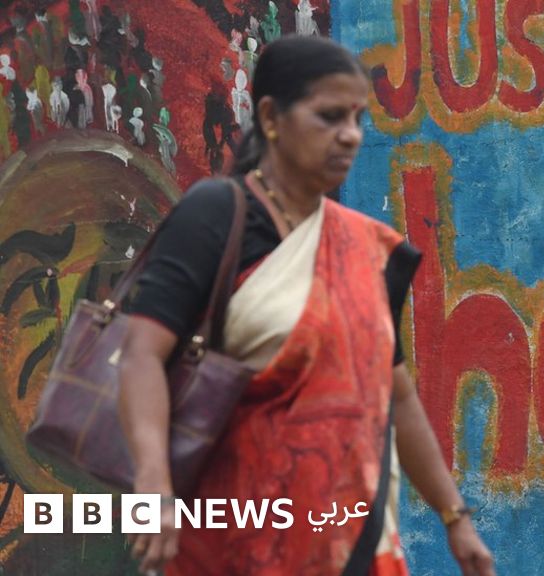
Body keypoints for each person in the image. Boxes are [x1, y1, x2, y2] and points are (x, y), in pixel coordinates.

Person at [117, 35, 496, 576]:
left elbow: (397, 395)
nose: (351, 135)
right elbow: (141, 354)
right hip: (236, 545)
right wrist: (153, 487)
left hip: (352, 543)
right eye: (330, 116)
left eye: (358, 119)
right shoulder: (216, 216)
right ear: (271, 117)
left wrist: (454, 517)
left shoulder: (368, 249)